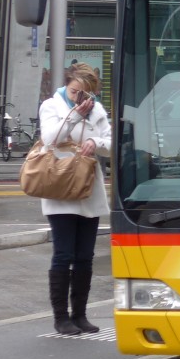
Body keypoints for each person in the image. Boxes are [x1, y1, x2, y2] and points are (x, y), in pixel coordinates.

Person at [38, 63, 112, 335]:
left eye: (84, 94)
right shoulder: (52, 106)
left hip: (88, 190)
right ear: (67, 85)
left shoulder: (98, 110)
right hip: (60, 189)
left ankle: (80, 315)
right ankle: (61, 318)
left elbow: (110, 143)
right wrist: (73, 116)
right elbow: (49, 138)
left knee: (85, 256)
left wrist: (96, 142)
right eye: (74, 91)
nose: (78, 98)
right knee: (63, 254)